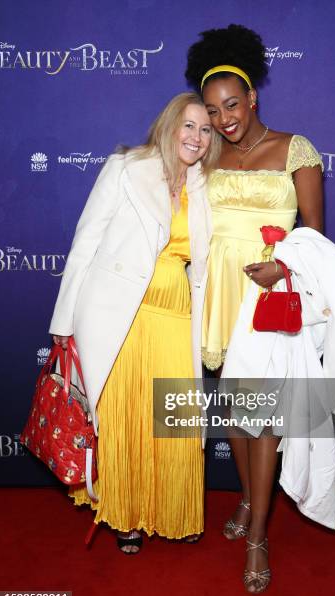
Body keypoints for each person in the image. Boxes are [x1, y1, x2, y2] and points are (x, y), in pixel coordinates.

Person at [49, 92, 220, 553]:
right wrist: (64, 323)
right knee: (125, 419)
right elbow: (85, 241)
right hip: (119, 315)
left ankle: (169, 509)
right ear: (169, 125)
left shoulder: (206, 186)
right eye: (189, 126)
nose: (197, 137)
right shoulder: (126, 167)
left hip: (175, 317)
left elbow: (208, 264)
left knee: (173, 420)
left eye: (206, 130)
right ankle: (125, 514)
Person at [186, 25, 324, 593]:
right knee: (236, 412)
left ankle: (258, 535)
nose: (224, 119)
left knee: (262, 415)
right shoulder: (205, 154)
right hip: (220, 291)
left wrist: (285, 268)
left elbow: (314, 233)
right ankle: (246, 497)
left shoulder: (296, 149)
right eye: (214, 110)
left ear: (252, 99)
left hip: (270, 293)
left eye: (232, 105)